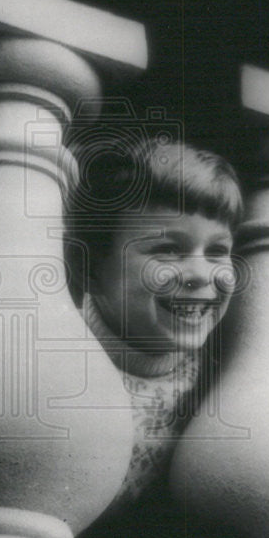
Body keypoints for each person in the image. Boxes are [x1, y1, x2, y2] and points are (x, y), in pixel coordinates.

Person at [65, 132, 243, 516]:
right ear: (89, 269)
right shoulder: (56, 350)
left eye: (217, 252)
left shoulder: (223, 379)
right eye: (167, 250)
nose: (199, 275)